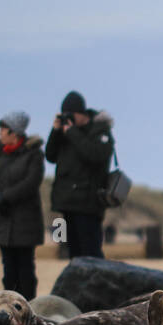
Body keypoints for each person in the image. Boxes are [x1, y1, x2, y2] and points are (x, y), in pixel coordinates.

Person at [0, 112, 45, 299]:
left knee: (25, 267)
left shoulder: (33, 154)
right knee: (8, 268)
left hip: (25, 220)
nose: (0, 133)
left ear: (14, 132)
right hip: (1, 218)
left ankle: (28, 305)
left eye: (3, 129)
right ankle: (9, 303)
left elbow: (31, 182)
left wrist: (5, 197)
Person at [45, 90, 114, 259]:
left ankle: (97, 285)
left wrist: (71, 132)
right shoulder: (64, 132)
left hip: (89, 204)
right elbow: (50, 156)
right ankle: (77, 285)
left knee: (91, 253)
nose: (67, 118)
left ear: (80, 113)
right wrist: (55, 131)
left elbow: (94, 155)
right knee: (74, 254)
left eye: (70, 115)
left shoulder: (99, 130)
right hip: (68, 202)